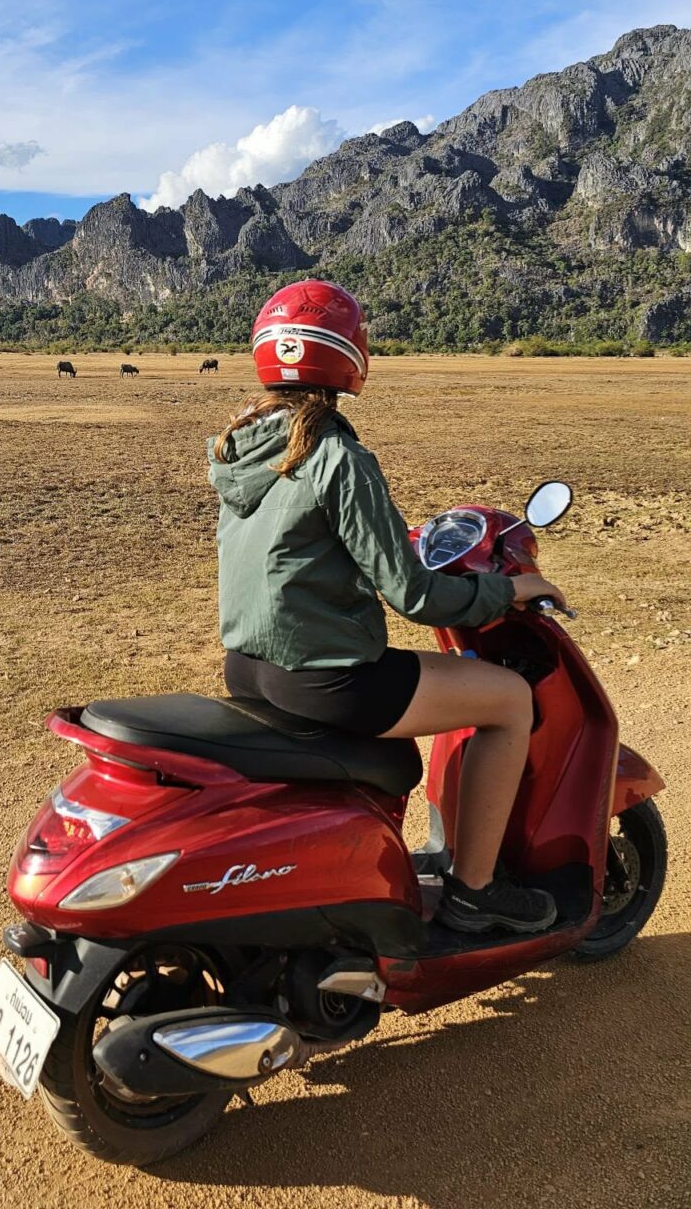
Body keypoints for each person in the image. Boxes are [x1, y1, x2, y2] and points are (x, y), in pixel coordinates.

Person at [208, 279, 564, 934]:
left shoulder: (242, 448)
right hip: (326, 679)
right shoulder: (337, 455)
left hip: (250, 667)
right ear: (350, 353)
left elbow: (304, 543)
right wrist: (508, 590)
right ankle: (475, 893)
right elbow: (415, 596)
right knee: (511, 700)